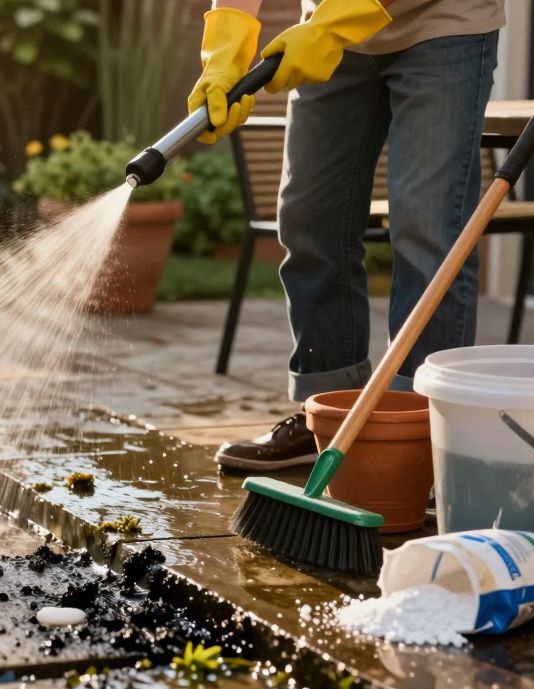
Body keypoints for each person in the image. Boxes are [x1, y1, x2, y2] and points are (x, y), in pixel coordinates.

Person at [190, 0, 506, 472]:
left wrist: (334, 25)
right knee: (310, 219)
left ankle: (420, 432)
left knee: (428, 232)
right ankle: (329, 415)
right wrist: (225, 49)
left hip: (442, 27)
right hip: (330, 29)